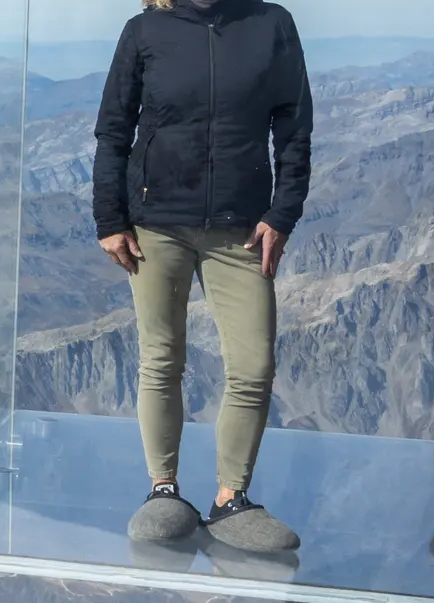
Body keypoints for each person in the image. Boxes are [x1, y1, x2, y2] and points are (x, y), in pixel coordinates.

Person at [93, 0, 313, 553]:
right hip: (156, 225)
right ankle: (163, 491)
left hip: (242, 229)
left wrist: (282, 213)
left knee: (254, 365)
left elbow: (294, 128)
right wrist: (109, 218)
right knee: (161, 358)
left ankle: (230, 498)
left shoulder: (271, 24)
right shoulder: (145, 30)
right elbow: (113, 131)